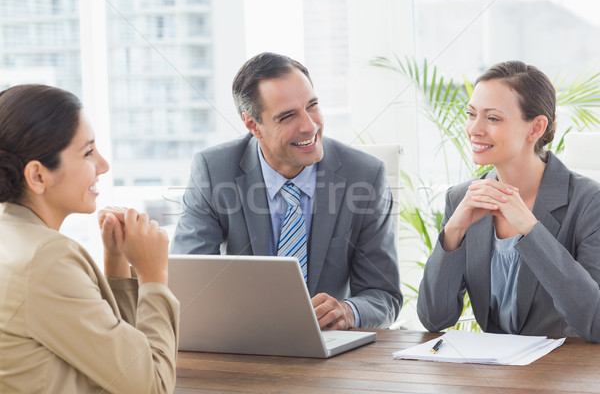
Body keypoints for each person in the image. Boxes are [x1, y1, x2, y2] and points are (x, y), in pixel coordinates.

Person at [171, 52, 402, 329]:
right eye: (288, 116)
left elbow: (384, 296)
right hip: (244, 340)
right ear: (253, 125)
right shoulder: (214, 171)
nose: (309, 125)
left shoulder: (364, 176)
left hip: (331, 350)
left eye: (312, 105)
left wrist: (348, 311)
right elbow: (189, 284)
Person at [0, 84, 179, 393]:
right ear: (38, 176)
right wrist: (153, 275)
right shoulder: (47, 259)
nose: (103, 166)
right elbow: (153, 384)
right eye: (88, 152)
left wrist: (116, 259)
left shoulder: (14, 235)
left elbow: (114, 356)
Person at [417, 61, 600, 342]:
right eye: (471, 114)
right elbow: (434, 319)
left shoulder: (588, 202)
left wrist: (530, 229)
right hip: (492, 378)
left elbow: (595, 322)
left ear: (536, 128)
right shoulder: (461, 200)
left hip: (564, 375)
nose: (474, 129)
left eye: (492, 118)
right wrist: (453, 233)